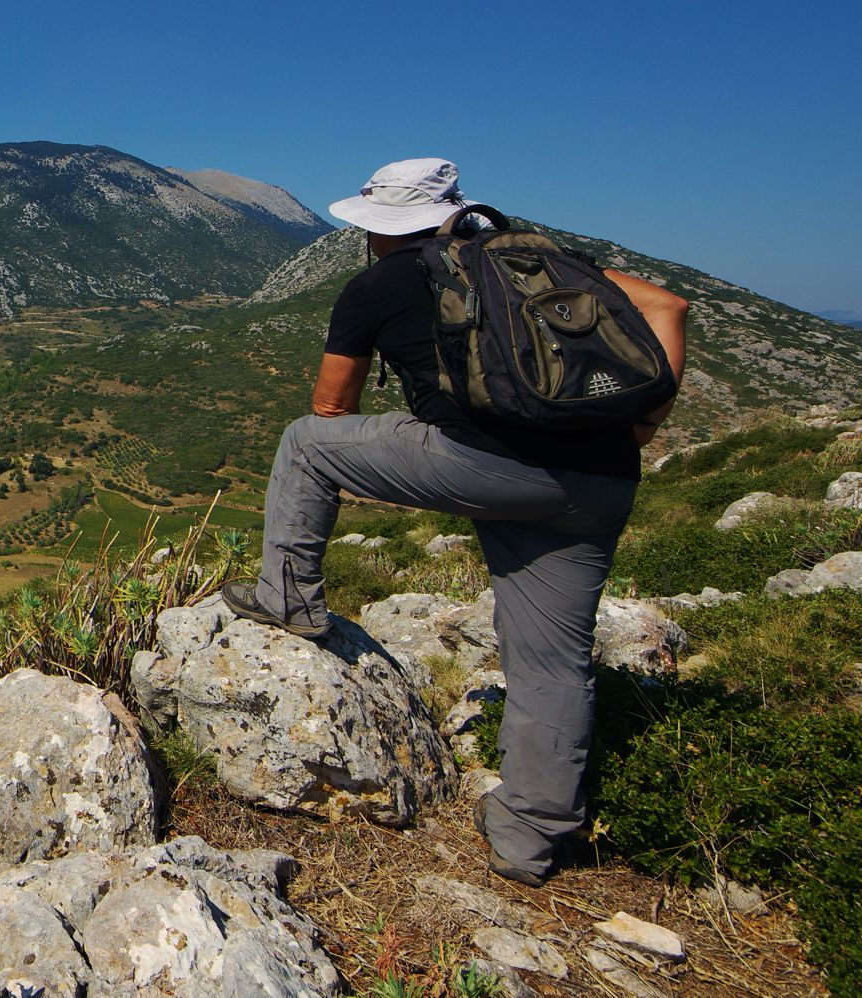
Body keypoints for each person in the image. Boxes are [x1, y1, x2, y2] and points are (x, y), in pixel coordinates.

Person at [219, 158, 688, 886]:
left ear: (378, 227)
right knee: (551, 661)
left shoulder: (377, 283)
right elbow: (669, 308)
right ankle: (529, 838)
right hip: (600, 481)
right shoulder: (541, 260)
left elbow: (331, 410)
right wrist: (641, 429)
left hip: (486, 467)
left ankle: (288, 596)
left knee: (304, 444)